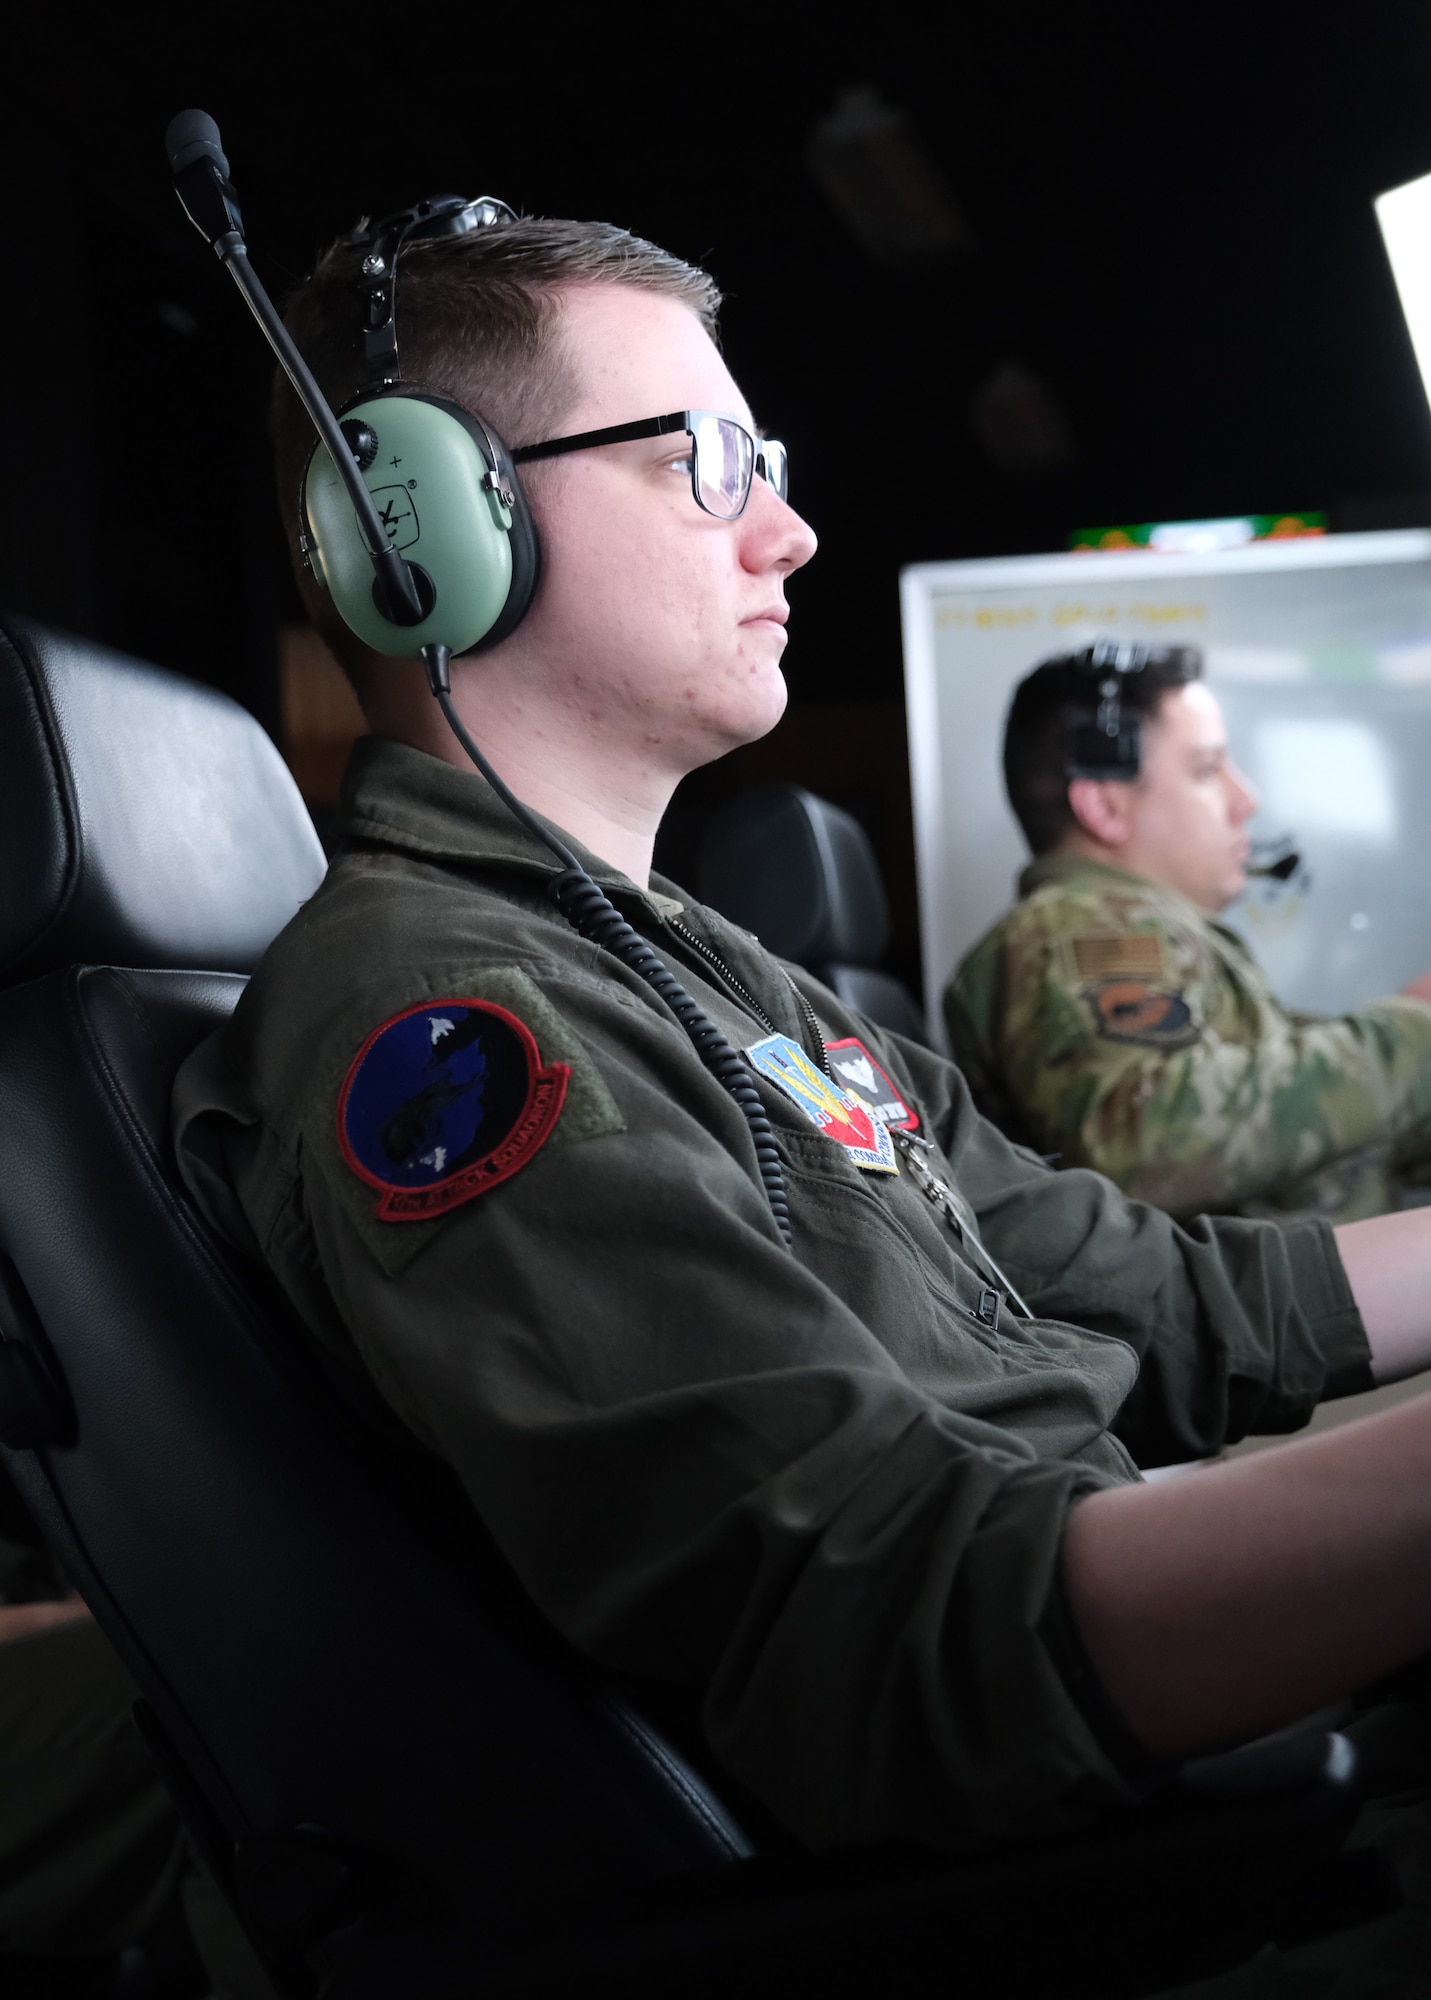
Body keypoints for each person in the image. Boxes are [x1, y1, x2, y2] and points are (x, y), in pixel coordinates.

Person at [168, 206, 1431, 1989]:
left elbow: (1178, 1301)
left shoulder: (713, 976)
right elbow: (923, 1630)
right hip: (1128, 1873)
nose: (790, 526)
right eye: (706, 463)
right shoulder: (450, 1022)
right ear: (429, 535)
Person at [945, 645, 1431, 1223]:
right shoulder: (1084, 927)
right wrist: (1411, 1034)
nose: (1245, 799)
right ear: (1105, 806)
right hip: (1264, 1308)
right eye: (1206, 770)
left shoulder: (1139, 932)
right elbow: (1150, 1142)